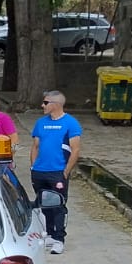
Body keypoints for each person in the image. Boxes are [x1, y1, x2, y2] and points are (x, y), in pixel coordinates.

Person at [28, 89, 82, 254]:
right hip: (39, 171)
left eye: (45, 103)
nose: (42, 105)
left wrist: (66, 171)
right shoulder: (41, 123)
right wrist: (33, 166)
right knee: (44, 203)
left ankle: (59, 238)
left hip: (57, 171)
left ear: (56, 104)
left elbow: (75, 149)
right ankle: (50, 234)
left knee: (58, 204)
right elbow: (35, 146)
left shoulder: (70, 123)